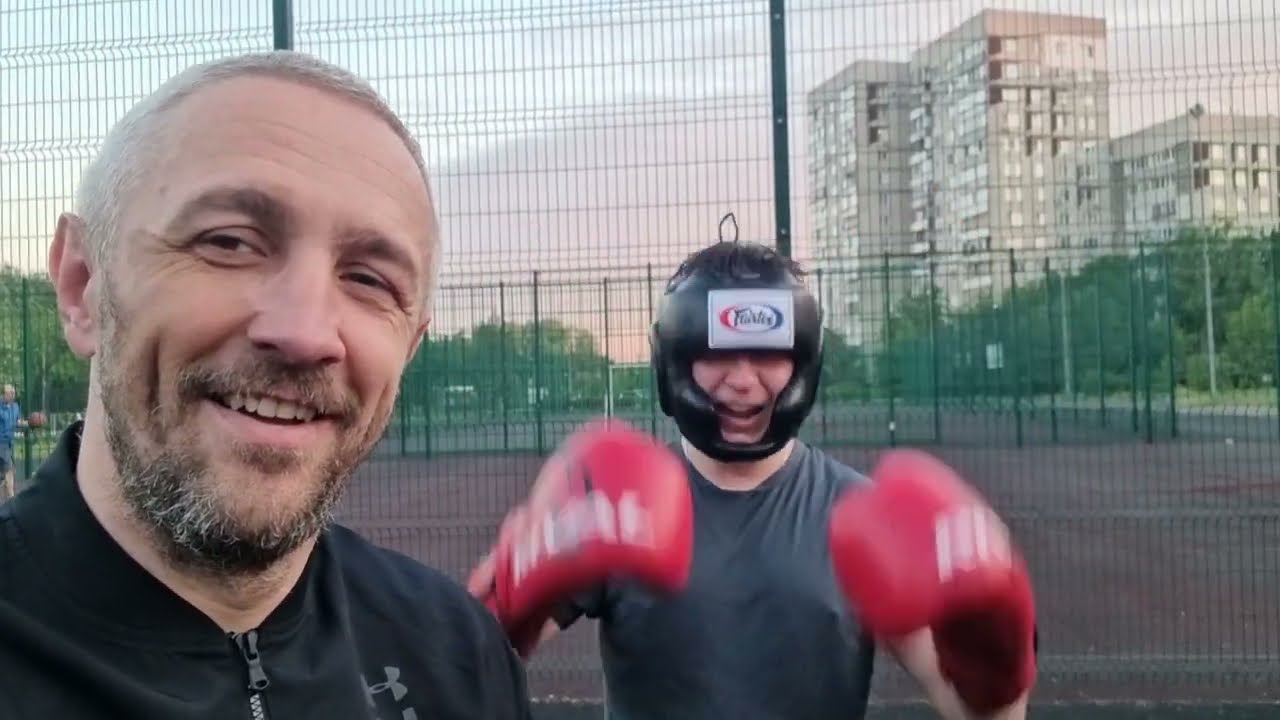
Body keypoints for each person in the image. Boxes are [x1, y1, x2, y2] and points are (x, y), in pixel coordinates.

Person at [0, 51, 532, 720]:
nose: (305, 333)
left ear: (409, 346)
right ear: (82, 286)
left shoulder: (455, 652)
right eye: (228, 242)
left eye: (369, 279)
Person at [469, 238, 1037, 719]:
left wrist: (995, 659)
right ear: (675, 361)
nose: (743, 381)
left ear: (803, 362)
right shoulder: (620, 504)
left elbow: (984, 714)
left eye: (767, 355)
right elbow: (461, 672)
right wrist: (504, 603)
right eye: (717, 355)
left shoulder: (858, 514)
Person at [1, 384, 24, 499]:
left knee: (8, 472)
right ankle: (12, 499)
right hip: (1, 442)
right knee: (9, 470)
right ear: (3, 395)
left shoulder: (15, 406)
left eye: (13, 393)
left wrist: (30, 423)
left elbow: (18, 422)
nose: (12, 395)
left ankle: (7, 500)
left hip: (10, 443)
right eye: (10, 393)